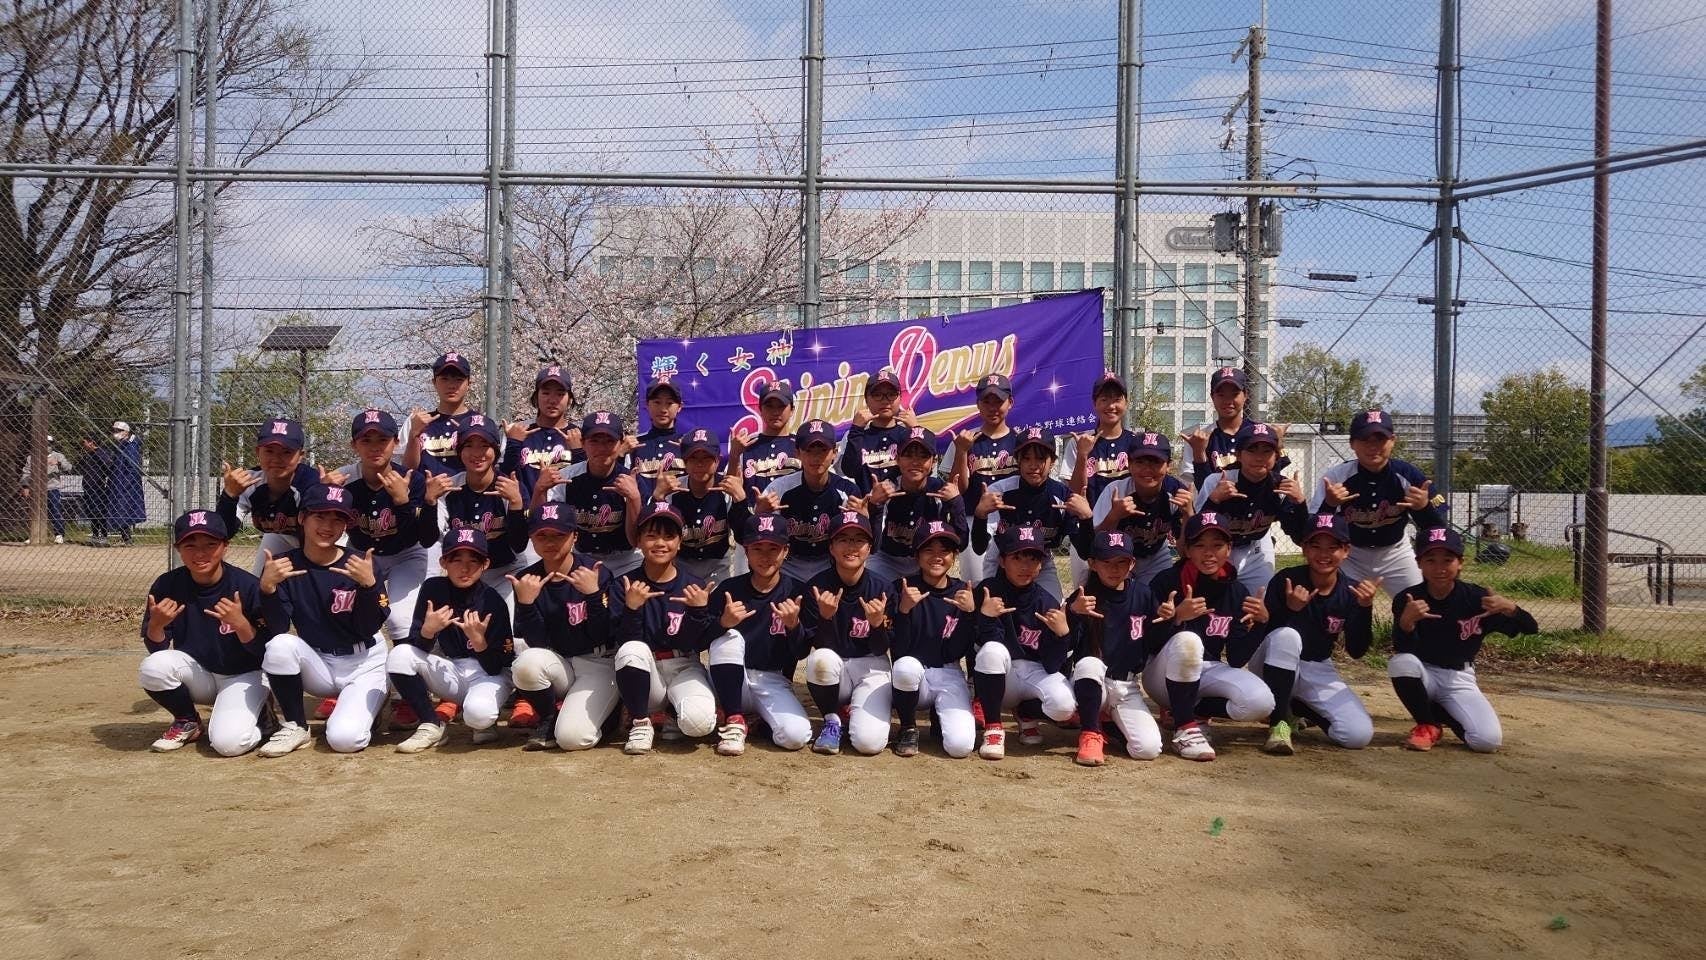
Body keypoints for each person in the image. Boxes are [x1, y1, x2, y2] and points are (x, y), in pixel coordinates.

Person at [255, 485, 391, 757]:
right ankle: (296, 725)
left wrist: (368, 587)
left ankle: (371, 704)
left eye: (338, 519)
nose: (328, 526)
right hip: (318, 662)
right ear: (302, 518)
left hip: (364, 662)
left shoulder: (360, 564)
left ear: (346, 526)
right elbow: (278, 628)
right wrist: (268, 590)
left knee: (344, 740)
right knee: (280, 645)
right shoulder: (284, 565)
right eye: (320, 516)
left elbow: (367, 628)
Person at [1145, 512, 1293, 756]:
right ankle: (1184, 728)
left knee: (1262, 701)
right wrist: (1177, 618)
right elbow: (1148, 645)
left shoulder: (1236, 591)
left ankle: (1196, 711)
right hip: (1162, 676)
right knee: (1188, 640)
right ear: (1187, 550)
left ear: (1229, 549)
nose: (1209, 553)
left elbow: (1236, 658)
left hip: (1208, 669)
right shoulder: (1167, 581)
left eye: (1217, 545)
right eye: (1199, 545)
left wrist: (1261, 623)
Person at [1065, 529, 1209, 766]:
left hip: (1126, 685)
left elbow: (1153, 644)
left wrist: (1172, 619)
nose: (1114, 569)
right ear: (1092, 564)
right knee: (1090, 663)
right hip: (1091, 682)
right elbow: (1067, 646)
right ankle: (1090, 732)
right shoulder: (1083, 597)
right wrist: (1073, 613)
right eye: (1106, 562)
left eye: (1121, 562)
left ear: (1132, 563)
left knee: (1147, 749)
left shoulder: (1143, 594)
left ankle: (1108, 725)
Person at [1389, 526, 1538, 754]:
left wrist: (1511, 608)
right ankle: (1428, 725)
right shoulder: (1409, 599)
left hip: (1459, 678)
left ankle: (1438, 712)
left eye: (1447, 560)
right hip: (1423, 674)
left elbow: (1530, 628)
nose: (1439, 568)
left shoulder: (1477, 599)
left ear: (1460, 563)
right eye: (1431, 560)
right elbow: (1402, 647)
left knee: (1486, 741)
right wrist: (1406, 622)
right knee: (1401, 663)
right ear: (1419, 563)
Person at [138, 511, 276, 755]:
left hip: (243, 676)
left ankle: (263, 718)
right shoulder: (168, 585)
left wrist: (241, 625)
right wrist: (156, 625)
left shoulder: (246, 586)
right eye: (190, 545)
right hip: (199, 674)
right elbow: (158, 649)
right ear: (178, 549)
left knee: (228, 744)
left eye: (210, 545)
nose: (200, 554)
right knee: (153, 667)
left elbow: (267, 651)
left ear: (225, 547)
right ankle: (187, 720)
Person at [1254, 513, 1381, 751]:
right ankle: (1279, 724)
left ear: (1346, 551)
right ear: (1304, 548)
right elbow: (1263, 636)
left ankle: (1297, 708)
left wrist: (1365, 608)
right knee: (1287, 636)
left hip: (1317, 666)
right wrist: (1290, 610)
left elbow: (1357, 651)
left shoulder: (1351, 592)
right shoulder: (1287, 579)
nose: (1324, 554)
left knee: (1357, 735)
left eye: (1333, 547)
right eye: (1316, 546)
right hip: (1269, 665)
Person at [386, 527, 517, 753]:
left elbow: (499, 666)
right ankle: (431, 724)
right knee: (400, 655)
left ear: (485, 564)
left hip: (489, 675)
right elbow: (418, 647)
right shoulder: (433, 589)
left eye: (473, 561)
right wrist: (428, 631)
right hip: (454, 668)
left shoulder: (493, 601)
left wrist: (480, 643)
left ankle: (485, 719)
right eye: (456, 560)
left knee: (478, 716)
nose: (464, 568)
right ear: (443, 562)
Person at [507, 503, 618, 752]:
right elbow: (536, 643)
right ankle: (549, 717)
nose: (550, 542)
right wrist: (526, 604)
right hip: (559, 663)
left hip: (597, 662)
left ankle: (609, 713)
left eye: (559, 535)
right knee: (526, 663)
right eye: (542, 535)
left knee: (572, 739)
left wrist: (593, 595)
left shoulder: (595, 573)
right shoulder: (527, 579)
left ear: (574, 536)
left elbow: (604, 634)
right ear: (531, 538)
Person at [610, 502, 717, 754]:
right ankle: (640, 721)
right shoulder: (624, 584)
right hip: (646, 671)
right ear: (638, 541)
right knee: (631, 650)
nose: (660, 543)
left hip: (684, 665)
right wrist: (632, 609)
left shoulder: (693, 584)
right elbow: (623, 641)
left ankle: (672, 712)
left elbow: (694, 644)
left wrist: (698, 611)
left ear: (680, 542)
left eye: (669, 536)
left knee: (699, 724)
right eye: (651, 536)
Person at [705, 514, 812, 756]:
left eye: (773, 548)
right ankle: (734, 720)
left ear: (785, 551)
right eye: (757, 548)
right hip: (730, 679)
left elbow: (802, 651)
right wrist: (722, 623)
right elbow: (700, 640)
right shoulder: (729, 589)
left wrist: (794, 626)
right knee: (730, 638)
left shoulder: (796, 592)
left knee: (796, 736)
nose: (765, 556)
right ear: (746, 551)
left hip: (772, 680)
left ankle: (757, 724)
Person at [1308, 409, 1447, 594]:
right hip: (1350, 555)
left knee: (1418, 602)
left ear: (1392, 441)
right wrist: (1330, 505)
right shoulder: (1336, 477)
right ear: (1352, 444)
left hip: (1396, 553)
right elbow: (1312, 528)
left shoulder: (1408, 475)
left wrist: (1423, 508)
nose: (1372, 446)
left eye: (1380, 439)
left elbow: (1438, 529)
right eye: (1365, 439)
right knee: (1339, 605)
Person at [969, 523, 1076, 761]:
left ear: (1041, 565)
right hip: (1001, 677)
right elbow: (978, 647)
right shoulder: (987, 591)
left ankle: (1026, 713)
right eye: (1017, 558)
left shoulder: (1047, 602)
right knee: (992, 651)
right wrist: (985, 618)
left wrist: (1062, 635)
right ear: (1002, 561)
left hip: (1034, 673)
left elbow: (1052, 665)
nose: (1025, 566)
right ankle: (994, 727)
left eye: (1033, 559)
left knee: (1065, 707)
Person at [799, 510, 894, 756]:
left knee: (868, 744)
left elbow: (880, 649)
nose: (851, 546)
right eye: (843, 539)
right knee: (820, 659)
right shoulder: (816, 587)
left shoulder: (883, 588)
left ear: (869, 548)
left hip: (872, 666)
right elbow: (817, 646)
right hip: (835, 666)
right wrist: (825, 618)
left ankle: (854, 713)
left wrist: (877, 625)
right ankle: (832, 719)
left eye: (858, 540)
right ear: (831, 547)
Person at [887, 519, 980, 758]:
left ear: (954, 556)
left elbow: (957, 651)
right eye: (928, 550)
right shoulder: (901, 588)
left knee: (960, 747)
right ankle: (908, 726)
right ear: (916, 555)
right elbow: (898, 648)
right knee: (905, 667)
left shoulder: (964, 593)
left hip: (948, 670)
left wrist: (970, 615)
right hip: (911, 674)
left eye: (945, 550)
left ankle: (939, 715)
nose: (937, 557)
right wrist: (903, 612)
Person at [971, 426, 1093, 601]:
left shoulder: (1062, 496)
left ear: (1053, 461)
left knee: (1054, 609)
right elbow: (979, 547)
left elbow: (1085, 551)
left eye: (1041, 458)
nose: (1033, 465)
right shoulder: (999, 491)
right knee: (992, 607)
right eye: (1026, 458)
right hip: (1003, 562)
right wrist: (980, 515)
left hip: (1041, 562)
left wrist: (1087, 518)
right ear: (1017, 461)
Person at [1192, 421, 1311, 594]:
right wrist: (1214, 500)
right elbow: (1195, 531)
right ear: (1239, 455)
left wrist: (1300, 503)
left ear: (1276, 456)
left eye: (1267, 451)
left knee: (1260, 601)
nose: (1259, 457)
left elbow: (1300, 537)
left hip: (1254, 551)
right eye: (1252, 450)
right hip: (1216, 552)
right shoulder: (1217, 481)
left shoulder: (1281, 487)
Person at [429, 412, 531, 607]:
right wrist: (429, 502)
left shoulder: (509, 487)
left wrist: (516, 504)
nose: (477, 453)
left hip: (506, 570)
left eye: (484, 445)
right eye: (469, 445)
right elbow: (430, 539)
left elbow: (519, 545)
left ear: (496, 450)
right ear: (459, 450)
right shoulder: (449, 488)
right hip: (463, 573)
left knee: (506, 621)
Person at [536, 410, 651, 577]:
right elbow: (544, 525)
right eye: (594, 441)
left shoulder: (632, 480)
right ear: (582, 443)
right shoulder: (566, 478)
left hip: (626, 560)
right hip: (581, 558)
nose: (602, 448)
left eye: (609, 441)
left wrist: (634, 498)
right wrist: (539, 490)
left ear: (621, 443)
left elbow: (637, 540)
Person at [1062, 371, 1149, 588]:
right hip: (1087, 528)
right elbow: (1073, 493)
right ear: (1094, 404)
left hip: (1126, 529)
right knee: (1085, 590)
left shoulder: (1136, 443)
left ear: (1126, 402)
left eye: (1117, 399)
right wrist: (1083, 455)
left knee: (1125, 591)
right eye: (1104, 399)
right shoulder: (1079, 442)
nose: (1111, 405)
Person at [757, 418, 861, 584]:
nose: (816, 457)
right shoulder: (779, 488)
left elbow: (864, 545)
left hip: (830, 563)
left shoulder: (848, 490)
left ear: (834, 453)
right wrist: (760, 515)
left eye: (823, 450)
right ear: (797, 453)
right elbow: (758, 538)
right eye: (809, 450)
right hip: (789, 564)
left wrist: (868, 515)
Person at [1091, 430, 1195, 591]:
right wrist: (1114, 516)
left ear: (1168, 465)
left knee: (1162, 595)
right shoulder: (1116, 491)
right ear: (1129, 464)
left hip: (1155, 555)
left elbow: (1186, 553)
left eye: (1155, 462)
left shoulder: (1176, 493)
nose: (1147, 469)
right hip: (1116, 559)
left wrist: (1188, 515)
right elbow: (1094, 542)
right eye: (1140, 462)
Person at [216, 419, 322, 573]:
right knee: (260, 580)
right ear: (257, 452)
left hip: (324, 541)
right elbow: (222, 532)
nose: (276, 459)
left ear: (300, 456)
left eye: (286, 452)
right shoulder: (249, 482)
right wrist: (230, 495)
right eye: (269, 451)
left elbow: (319, 534)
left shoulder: (310, 483)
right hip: (281, 537)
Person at [866, 426, 967, 585]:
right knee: (874, 589)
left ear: (933, 461)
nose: (915, 462)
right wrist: (875, 506)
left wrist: (956, 503)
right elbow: (873, 546)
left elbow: (961, 543)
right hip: (886, 559)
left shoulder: (940, 492)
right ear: (897, 459)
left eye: (923, 456)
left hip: (924, 561)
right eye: (908, 455)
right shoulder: (886, 489)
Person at [947, 373, 1018, 584]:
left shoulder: (1020, 441)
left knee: (1014, 581)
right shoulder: (964, 440)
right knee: (977, 584)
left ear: (1010, 402)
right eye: (987, 401)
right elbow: (957, 489)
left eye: (998, 401)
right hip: (974, 519)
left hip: (1012, 519)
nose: (992, 407)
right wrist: (962, 452)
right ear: (978, 404)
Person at [650, 427, 744, 584]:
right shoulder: (673, 489)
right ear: (684, 462)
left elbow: (743, 533)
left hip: (719, 566)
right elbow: (650, 531)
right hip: (680, 566)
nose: (700, 464)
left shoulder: (726, 488)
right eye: (693, 458)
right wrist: (658, 497)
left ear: (718, 460)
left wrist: (740, 500)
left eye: (706, 458)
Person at [1179, 367, 1289, 486]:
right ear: (1212, 397)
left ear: (1245, 395)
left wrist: (1278, 443)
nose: (1228, 401)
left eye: (1234, 394)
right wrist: (1199, 452)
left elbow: (1273, 477)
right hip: (1215, 497)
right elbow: (1202, 488)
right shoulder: (1199, 438)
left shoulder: (1262, 433)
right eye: (1221, 395)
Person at [501, 364, 581, 495]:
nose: (552, 400)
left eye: (560, 394)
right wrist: (513, 443)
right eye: (545, 393)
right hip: (524, 506)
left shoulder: (578, 435)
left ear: (570, 399)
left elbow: (585, 480)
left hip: (565, 507)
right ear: (536, 396)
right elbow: (505, 474)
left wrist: (579, 452)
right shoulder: (518, 431)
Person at [839, 367, 913, 493]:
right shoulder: (854, 435)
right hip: (867, 504)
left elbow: (925, 475)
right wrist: (856, 430)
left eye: (891, 394)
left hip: (904, 504)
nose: (885, 400)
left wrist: (916, 431)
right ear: (866, 400)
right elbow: (849, 471)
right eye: (877, 395)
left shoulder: (908, 434)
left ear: (900, 397)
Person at [405, 352, 478, 478]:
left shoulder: (478, 423)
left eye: (459, 380)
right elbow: (407, 470)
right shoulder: (418, 421)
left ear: (469, 384)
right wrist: (414, 435)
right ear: (434, 382)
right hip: (426, 490)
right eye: (444, 379)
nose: (451, 386)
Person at [630, 376, 685, 484]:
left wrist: (689, 451)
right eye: (657, 402)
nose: (663, 409)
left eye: (669, 403)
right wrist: (621, 454)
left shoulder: (687, 444)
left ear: (679, 407)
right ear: (647, 405)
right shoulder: (635, 444)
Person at [18, 436, 73, 543]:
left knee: (55, 510)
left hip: (53, 487)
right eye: (45, 443)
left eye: (49, 443)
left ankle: (59, 534)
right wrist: (25, 486)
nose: (47, 445)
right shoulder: (31, 457)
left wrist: (58, 463)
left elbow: (69, 467)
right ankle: (34, 535)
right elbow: (26, 472)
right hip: (37, 488)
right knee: (34, 511)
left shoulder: (58, 456)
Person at [106, 421, 145, 545]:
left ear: (126, 432)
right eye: (114, 431)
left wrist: (126, 483)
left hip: (126, 484)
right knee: (120, 510)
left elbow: (133, 467)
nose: (115, 433)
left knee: (123, 509)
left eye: (118, 431)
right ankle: (125, 537)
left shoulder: (130, 446)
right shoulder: (121, 446)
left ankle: (127, 538)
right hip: (119, 482)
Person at [79, 434, 111, 546]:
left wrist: (103, 479)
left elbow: (108, 467)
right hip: (88, 486)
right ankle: (95, 534)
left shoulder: (101, 453)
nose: (83, 445)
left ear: (91, 442)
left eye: (84, 442)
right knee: (91, 511)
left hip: (98, 487)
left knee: (99, 511)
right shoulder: (89, 455)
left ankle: (103, 535)